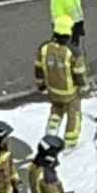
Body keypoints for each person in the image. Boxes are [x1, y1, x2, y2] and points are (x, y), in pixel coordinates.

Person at [35, 15, 89, 147]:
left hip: (52, 90)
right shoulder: (74, 52)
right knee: (74, 114)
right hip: (70, 93)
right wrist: (84, 87)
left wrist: (41, 85)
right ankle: (70, 142)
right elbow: (79, 73)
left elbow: (38, 68)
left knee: (56, 109)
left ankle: (51, 132)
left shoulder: (44, 48)